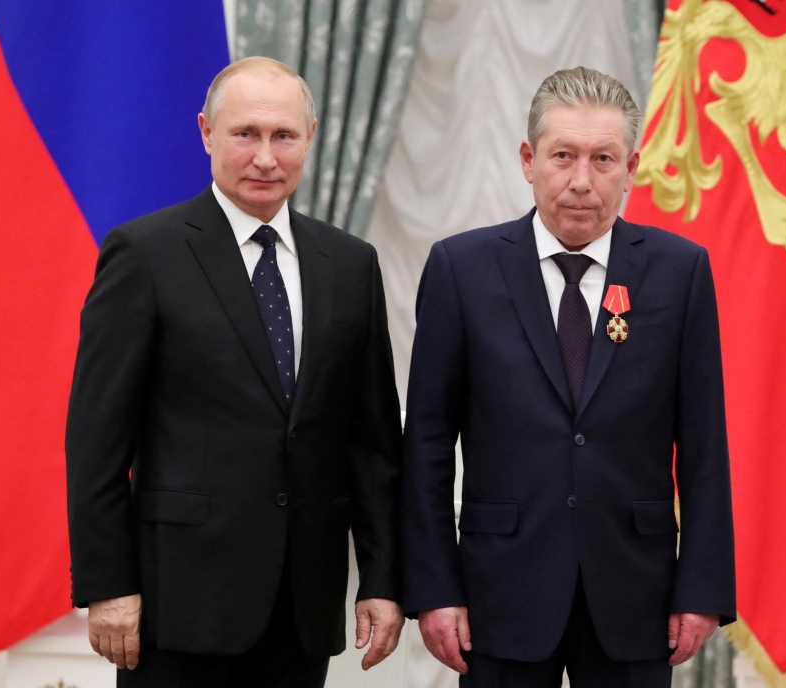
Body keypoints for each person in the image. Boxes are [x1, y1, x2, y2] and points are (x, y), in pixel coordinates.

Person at [65, 56, 404, 688]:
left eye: (284, 136)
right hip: (179, 607)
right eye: (246, 133)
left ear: (311, 136)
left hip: (304, 607)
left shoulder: (351, 264)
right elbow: (97, 440)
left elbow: (374, 442)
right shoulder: (145, 254)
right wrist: (109, 585)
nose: (266, 157)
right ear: (206, 133)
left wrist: (383, 580)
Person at [401, 66, 736, 688]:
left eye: (603, 159)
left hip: (637, 594)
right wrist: (433, 587)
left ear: (631, 167)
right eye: (563, 156)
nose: (582, 181)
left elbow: (704, 445)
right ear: (529, 160)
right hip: (498, 591)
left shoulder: (679, 271)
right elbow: (425, 445)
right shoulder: (462, 269)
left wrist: (704, 586)